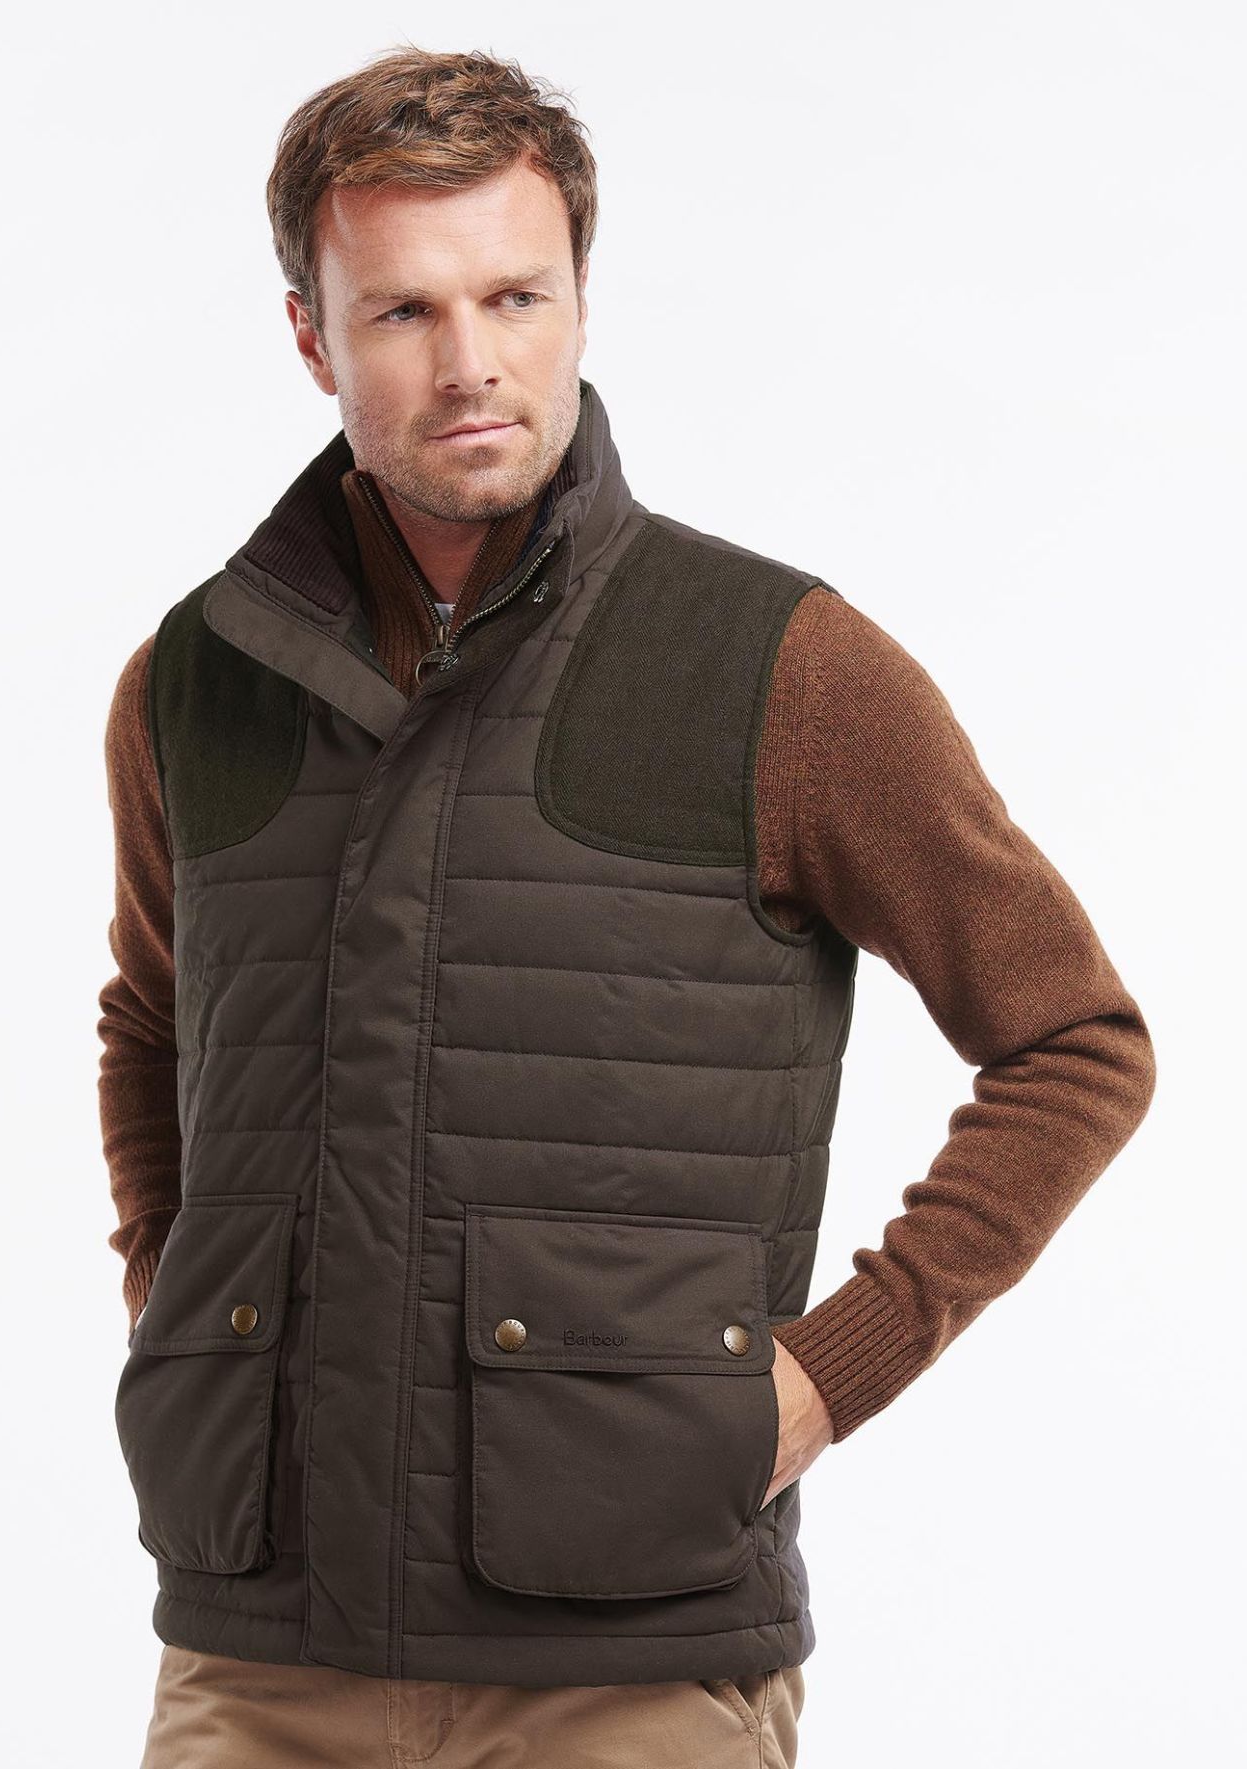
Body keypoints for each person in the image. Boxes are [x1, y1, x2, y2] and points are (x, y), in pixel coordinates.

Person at [96, 46, 1156, 1769]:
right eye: (403, 311)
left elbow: (1075, 1042)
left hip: (631, 1655)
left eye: (514, 296)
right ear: (311, 337)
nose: (470, 361)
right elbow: (154, 1021)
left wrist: (823, 1375)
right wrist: (175, 1299)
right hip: (257, 1653)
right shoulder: (191, 681)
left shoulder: (778, 668)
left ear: (581, 298)